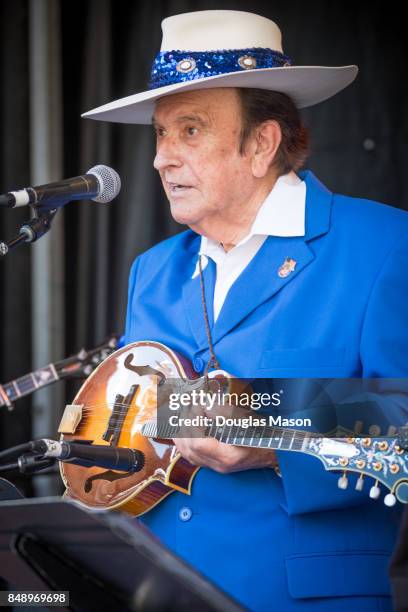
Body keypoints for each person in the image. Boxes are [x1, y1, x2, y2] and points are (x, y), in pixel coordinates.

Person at [83, 10, 408, 611]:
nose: (161, 158)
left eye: (191, 130)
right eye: (160, 133)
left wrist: (273, 440)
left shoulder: (385, 245)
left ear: (262, 144)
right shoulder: (152, 270)